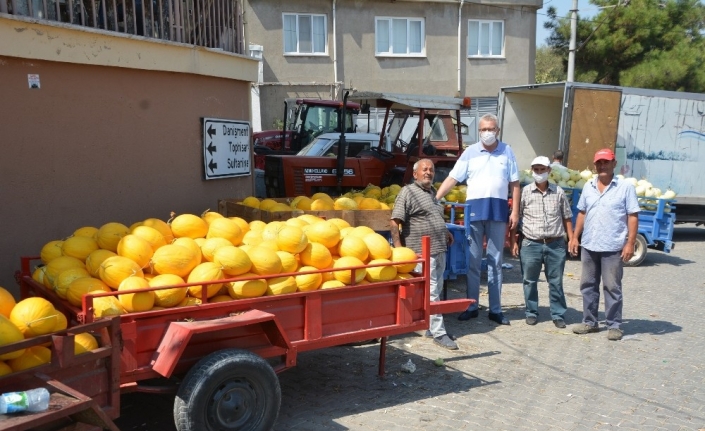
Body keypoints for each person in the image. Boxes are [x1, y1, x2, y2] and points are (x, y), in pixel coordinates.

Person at [435, 113, 520, 326]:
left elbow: (515, 184)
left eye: (491, 129)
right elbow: (453, 177)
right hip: (475, 212)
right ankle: (472, 305)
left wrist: (515, 211)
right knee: (472, 261)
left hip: (498, 211)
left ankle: (496, 309)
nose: (487, 133)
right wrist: (434, 198)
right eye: (483, 129)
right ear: (478, 131)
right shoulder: (470, 152)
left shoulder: (507, 151)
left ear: (497, 131)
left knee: (496, 261)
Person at [568, 148, 640, 341]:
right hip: (590, 245)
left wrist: (630, 243)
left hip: (613, 246)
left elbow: (633, 216)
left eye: (606, 162)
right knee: (588, 285)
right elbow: (582, 213)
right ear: (595, 165)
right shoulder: (588, 186)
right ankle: (589, 322)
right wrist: (575, 237)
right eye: (599, 162)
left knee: (612, 286)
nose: (602, 166)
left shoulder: (625, 188)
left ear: (614, 163)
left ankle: (614, 325)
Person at [391, 158, 457, 350]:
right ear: (415, 174)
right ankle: (439, 333)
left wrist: (445, 231)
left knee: (435, 290)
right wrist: (399, 251)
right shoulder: (408, 192)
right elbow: (395, 222)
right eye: (424, 169)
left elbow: (433, 216)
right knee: (432, 292)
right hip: (421, 252)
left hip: (439, 249)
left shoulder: (433, 193)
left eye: (431, 170)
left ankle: (428, 325)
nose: (428, 172)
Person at [510, 156, 573, 328]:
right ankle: (531, 312)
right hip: (531, 243)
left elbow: (567, 217)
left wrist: (571, 239)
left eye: (542, 170)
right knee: (529, 281)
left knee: (556, 281)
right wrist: (513, 241)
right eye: (536, 170)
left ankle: (558, 313)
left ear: (549, 171)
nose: (539, 173)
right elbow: (516, 218)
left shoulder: (558, 192)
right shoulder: (525, 192)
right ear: (532, 171)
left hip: (555, 243)